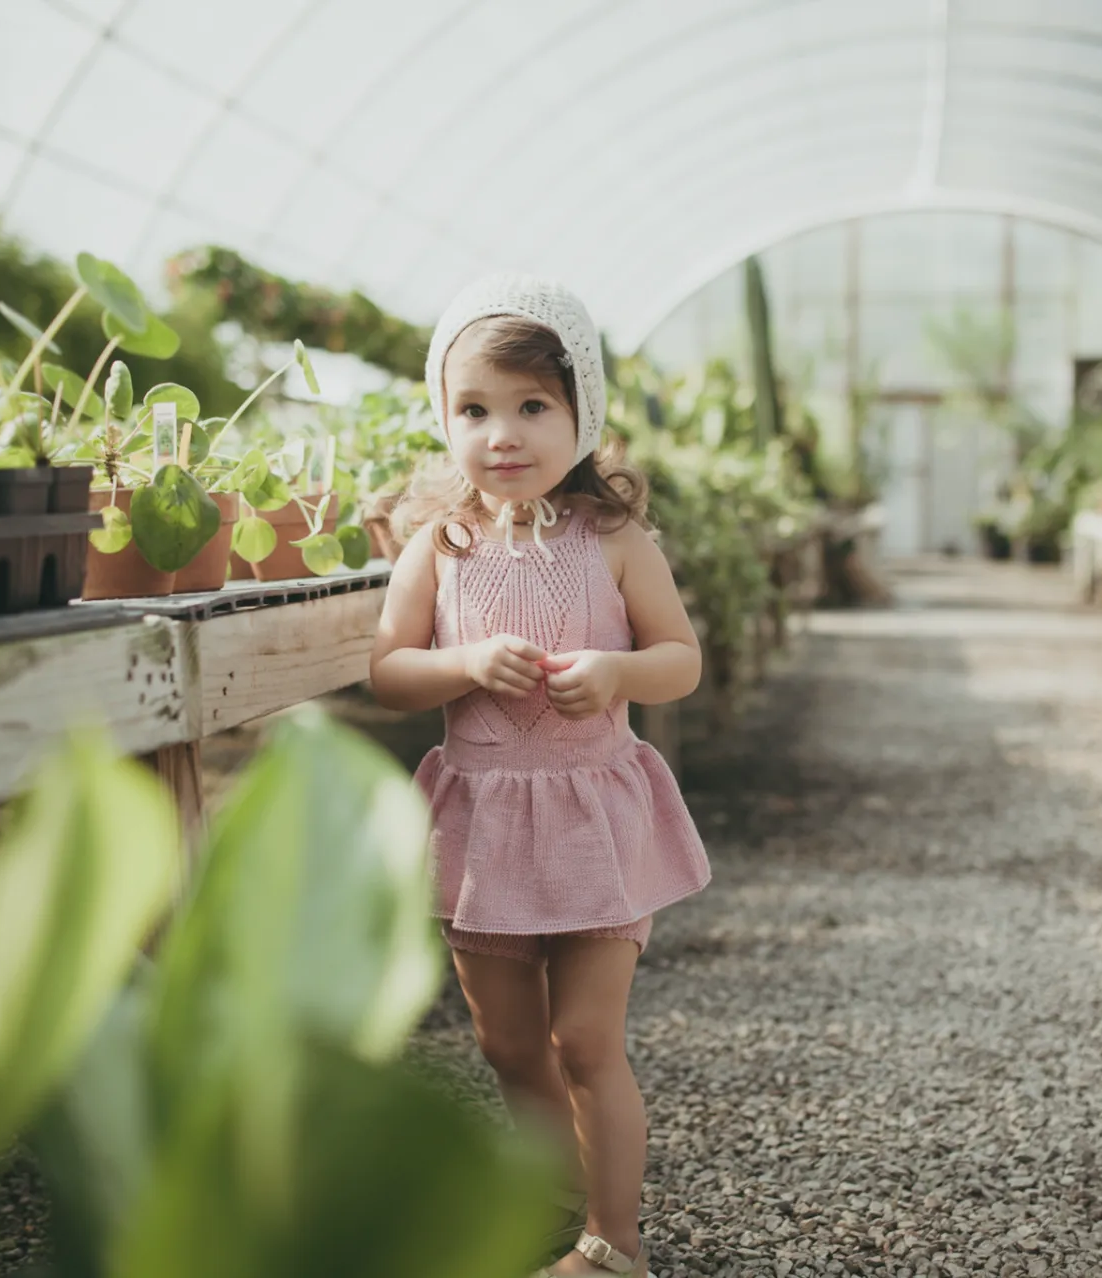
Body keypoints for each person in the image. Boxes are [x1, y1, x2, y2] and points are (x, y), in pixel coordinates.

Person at [369, 274, 711, 1277]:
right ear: (445, 420)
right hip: (482, 824)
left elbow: (679, 659)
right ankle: (551, 1204)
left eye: (532, 407)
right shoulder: (440, 547)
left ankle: (615, 1242)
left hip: (594, 818)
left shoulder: (612, 540)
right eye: (473, 410)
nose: (503, 434)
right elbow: (390, 672)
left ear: (581, 416)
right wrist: (464, 665)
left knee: (584, 1042)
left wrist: (616, 673)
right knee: (510, 1046)